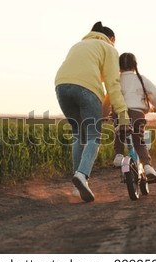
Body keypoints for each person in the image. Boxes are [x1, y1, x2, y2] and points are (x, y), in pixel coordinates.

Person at [55, 21, 131, 202]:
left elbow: (84, 72)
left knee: (78, 136)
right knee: (93, 137)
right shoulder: (109, 48)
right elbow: (112, 85)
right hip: (86, 89)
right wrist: (122, 113)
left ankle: (76, 187)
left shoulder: (79, 45)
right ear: (111, 39)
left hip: (61, 85)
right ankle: (82, 175)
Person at [112, 52, 156, 182]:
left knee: (119, 133)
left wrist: (104, 113)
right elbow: (155, 93)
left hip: (119, 113)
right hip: (137, 113)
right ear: (135, 65)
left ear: (119, 66)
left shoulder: (116, 80)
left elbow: (109, 97)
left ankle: (118, 155)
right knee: (139, 141)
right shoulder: (141, 79)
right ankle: (148, 167)